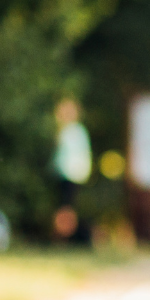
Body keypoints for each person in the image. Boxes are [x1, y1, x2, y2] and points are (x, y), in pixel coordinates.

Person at [50, 98, 92, 244]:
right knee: (66, 207)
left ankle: (65, 237)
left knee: (66, 209)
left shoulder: (74, 131)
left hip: (71, 175)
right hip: (65, 175)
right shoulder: (70, 131)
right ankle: (66, 236)